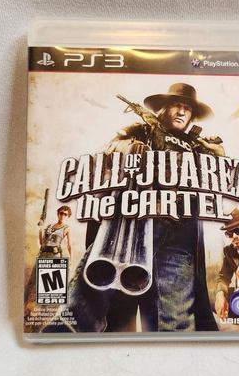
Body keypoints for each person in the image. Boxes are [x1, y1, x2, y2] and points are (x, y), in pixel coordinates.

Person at [46, 83, 223, 333]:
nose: (182, 112)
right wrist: (129, 149)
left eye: (187, 108)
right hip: (133, 222)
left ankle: (179, 351)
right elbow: (105, 154)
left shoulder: (197, 146)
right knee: (95, 283)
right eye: (176, 105)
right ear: (164, 109)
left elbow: (219, 179)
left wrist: (217, 158)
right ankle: (65, 333)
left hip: (178, 232)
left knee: (176, 317)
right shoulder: (141, 130)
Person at [24, 205, 73, 331]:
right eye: (61, 213)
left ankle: (40, 320)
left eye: (65, 214)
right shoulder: (50, 226)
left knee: (47, 289)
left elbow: (69, 245)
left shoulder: (66, 228)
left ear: (68, 216)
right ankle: (22, 308)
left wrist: (70, 260)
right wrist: (40, 228)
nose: (62, 215)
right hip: (42, 254)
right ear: (58, 214)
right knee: (31, 283)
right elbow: (41, 242)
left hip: (54, 256)